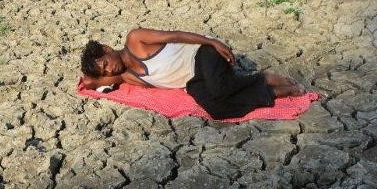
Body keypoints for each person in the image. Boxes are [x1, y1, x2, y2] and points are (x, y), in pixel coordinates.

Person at [80, 28, 306, 119]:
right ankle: (270, 93)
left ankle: (261, 78)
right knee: (217, 110)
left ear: (108, 49)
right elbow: (94, 81)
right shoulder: (128, 76)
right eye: (104, 70)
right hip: (192, 80)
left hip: (202, 55)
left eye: (105, 63)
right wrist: (92, 78)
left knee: (220, 88)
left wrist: (211, 42)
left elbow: (174, 35)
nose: (110, 69)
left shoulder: (135, 39)